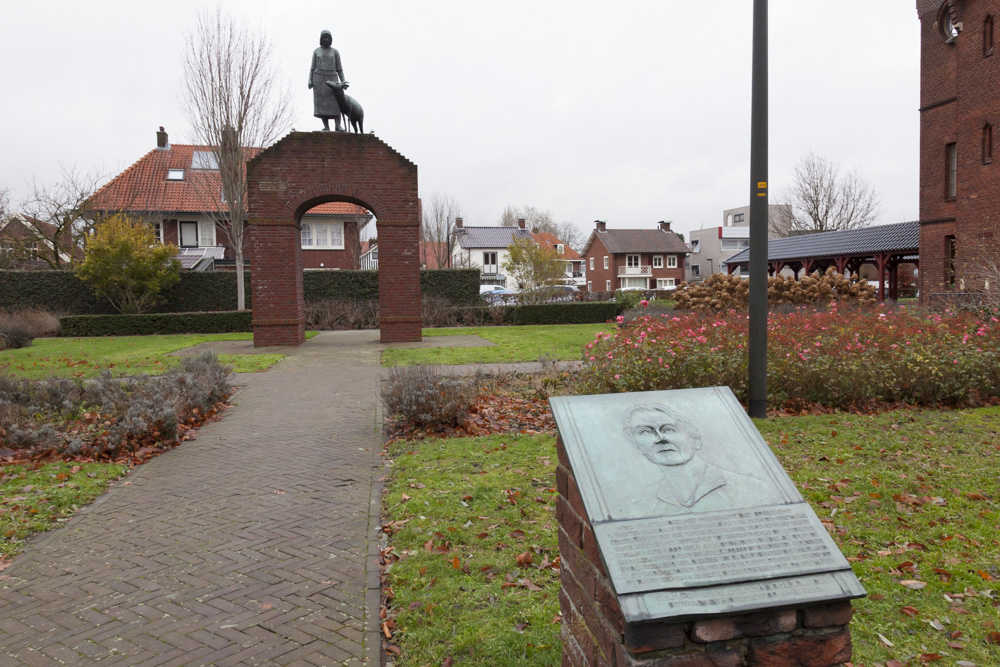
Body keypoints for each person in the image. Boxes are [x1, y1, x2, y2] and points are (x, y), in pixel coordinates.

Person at [623, 404, 782, 516]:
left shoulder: (753, 489)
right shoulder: (636, 504)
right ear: (638, 447)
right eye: (645, 432)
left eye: (668, 429)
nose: (660, 438)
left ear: (695, 438)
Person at [309, 30, 346, 131]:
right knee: (321, 104)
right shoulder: (316, 51)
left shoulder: (335, 52)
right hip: (319, 79)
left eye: (328, 37)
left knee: (336, 102)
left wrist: (343, 81)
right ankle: (326, 126)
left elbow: (340, 69)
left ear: (331, 40)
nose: (326, 39)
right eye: (324, 37)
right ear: (321, 39)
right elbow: (312, 67)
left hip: (333, 78)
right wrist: (310, 79)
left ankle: (338, 125)